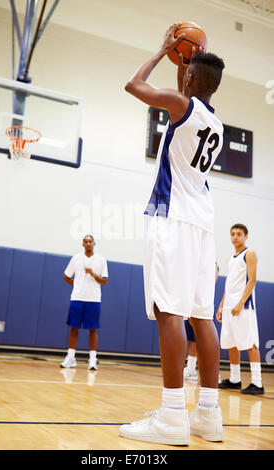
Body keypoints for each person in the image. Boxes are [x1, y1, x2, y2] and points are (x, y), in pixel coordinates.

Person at [119, 24, 225, 445]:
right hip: (204, 223)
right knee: (202, 315)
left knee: (169, 311)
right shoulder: (216, 124)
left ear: (190, 80)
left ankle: (171, 414)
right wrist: (186, 60)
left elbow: (133, 85)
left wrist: (163, 51)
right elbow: (192, 85)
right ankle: (208, 414)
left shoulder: (181, 106)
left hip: (174, 219)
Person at [216, 224, 264, 395]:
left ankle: (257, 383)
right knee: (231, 343)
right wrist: (222, 305)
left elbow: (252, 281)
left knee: (250, 342)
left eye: (239, 234)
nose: (235, 237)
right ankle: (235, 379)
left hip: (244, 306)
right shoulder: (231, 259)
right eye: (233, 234)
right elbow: (228, 285)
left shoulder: (249, 254)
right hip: (230, 306)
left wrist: (240, 303)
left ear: (246, 236)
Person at [61, 235, 108, 371]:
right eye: (85, 242)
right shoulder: (76, 259)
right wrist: (76, 285)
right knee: (74, 327)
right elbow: (66, 276)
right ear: (83, 244)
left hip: (93, 299)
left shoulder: (101, 260)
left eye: (90, 242)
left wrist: (93, 274)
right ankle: (71, 357)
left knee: (93, 329)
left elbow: (105, 281)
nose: (88, 244)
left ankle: (92, 360)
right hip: (77, 298)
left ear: (94, 243)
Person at [184, 262, 220, 382]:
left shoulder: (211, 264)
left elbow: (210, 281)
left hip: (202, 305)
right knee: (192, 339)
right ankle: (190, 369)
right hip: (190, 304)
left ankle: (213, 373)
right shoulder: (193, 260)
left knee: (203, 339)